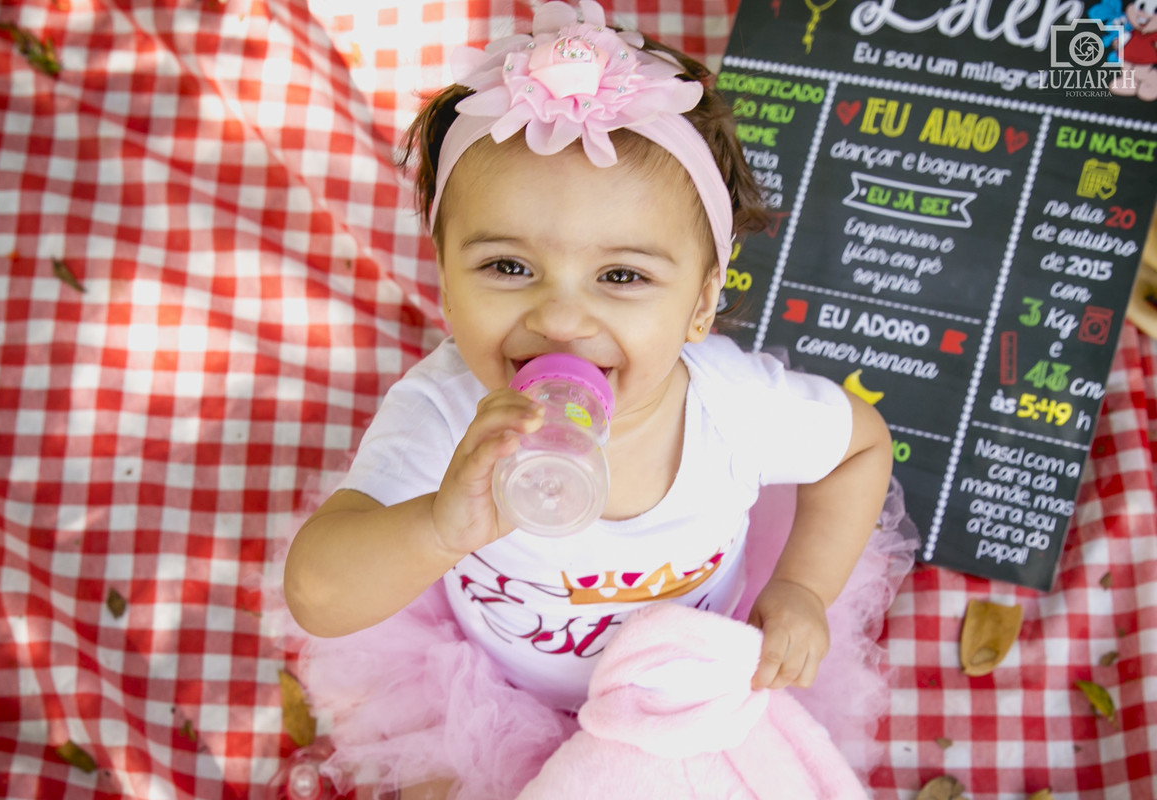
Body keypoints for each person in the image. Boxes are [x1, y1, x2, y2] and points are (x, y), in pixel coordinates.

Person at [280, 2, 915, 797]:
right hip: (498, 691)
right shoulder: (444, 413)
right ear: (444, 282)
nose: (561, 319)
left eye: (621, 276)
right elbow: (317, 595)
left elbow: (860, 447)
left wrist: (802, 588)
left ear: (701, 303)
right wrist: (439, 526)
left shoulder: (733, 408)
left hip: (685, 682)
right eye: (508, 267)